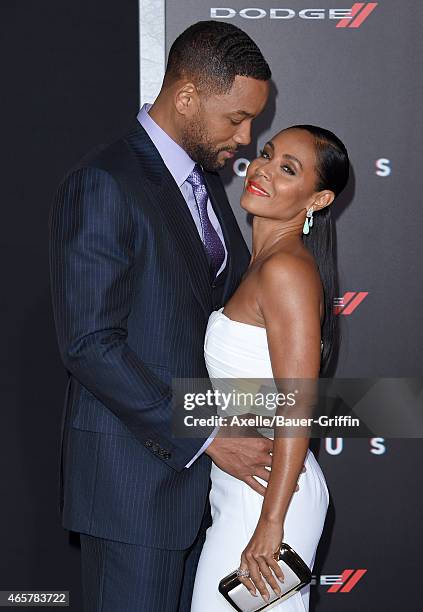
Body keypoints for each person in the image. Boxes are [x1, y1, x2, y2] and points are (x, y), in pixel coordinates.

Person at [49, 20, 274, 612]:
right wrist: (208, 436)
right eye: (237, 120)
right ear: (187, 97)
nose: (248, 140)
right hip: (131, 489)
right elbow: (90, 342)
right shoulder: (104, 182)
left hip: (201, 493)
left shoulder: (203, 182)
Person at [191, 125, 349, 611]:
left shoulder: (286, 271)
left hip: (265, 503)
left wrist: (271, 522)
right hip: (246, 492)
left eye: (288, 169)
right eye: (268, 154)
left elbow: (297, 403)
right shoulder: (262, 264)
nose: (262, 170)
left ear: (318, 200)